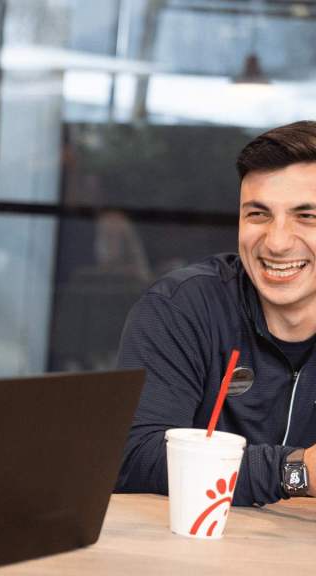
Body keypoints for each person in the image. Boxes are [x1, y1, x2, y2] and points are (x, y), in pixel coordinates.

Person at [117, 121, 316, 506]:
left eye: (307, 217)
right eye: (258, 214)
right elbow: (135, 457)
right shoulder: (181, 308)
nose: (276, 242)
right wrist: (297, 470)